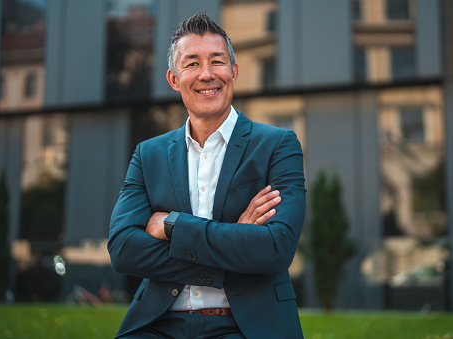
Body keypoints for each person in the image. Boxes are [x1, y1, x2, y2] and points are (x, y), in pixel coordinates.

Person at [108, 12, 306, 339]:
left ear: (234, 72)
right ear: (174, 79)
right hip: (158, 323)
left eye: (217, 61)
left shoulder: (278, 145)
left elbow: (275, 247)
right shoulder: (149, 154)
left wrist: (174, 226)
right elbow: (123, 248)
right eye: (192, 64)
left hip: (246, 325)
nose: (206, 74)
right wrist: (235, 238)